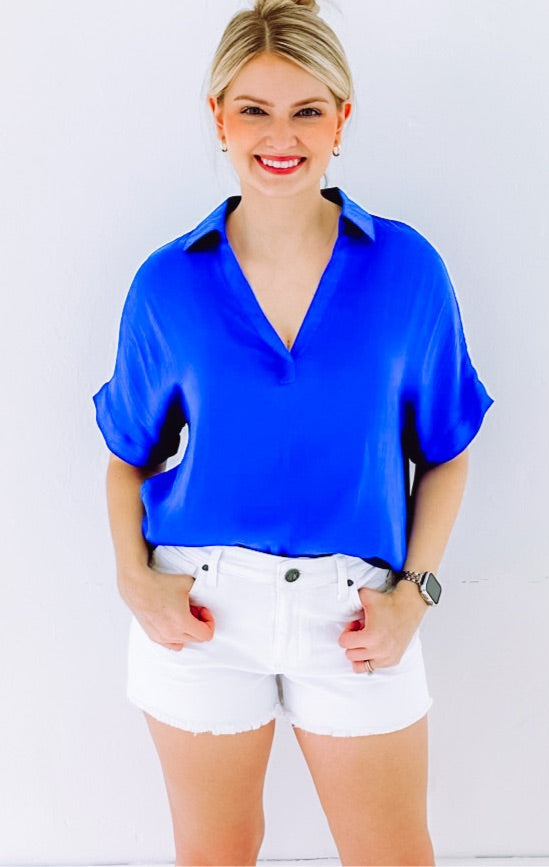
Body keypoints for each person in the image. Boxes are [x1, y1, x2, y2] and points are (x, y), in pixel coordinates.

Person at [92, 0, 493, 864]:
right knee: (216, 852)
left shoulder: (408, 270)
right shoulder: (167, 284)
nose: (282, 136)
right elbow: (127, 457)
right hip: (200, 608)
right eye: (255, 110)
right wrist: (135, 581)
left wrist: (413, 597)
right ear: (219, 118)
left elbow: (448, 450)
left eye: (307, 110)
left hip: (355, 615)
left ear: (342, 119)